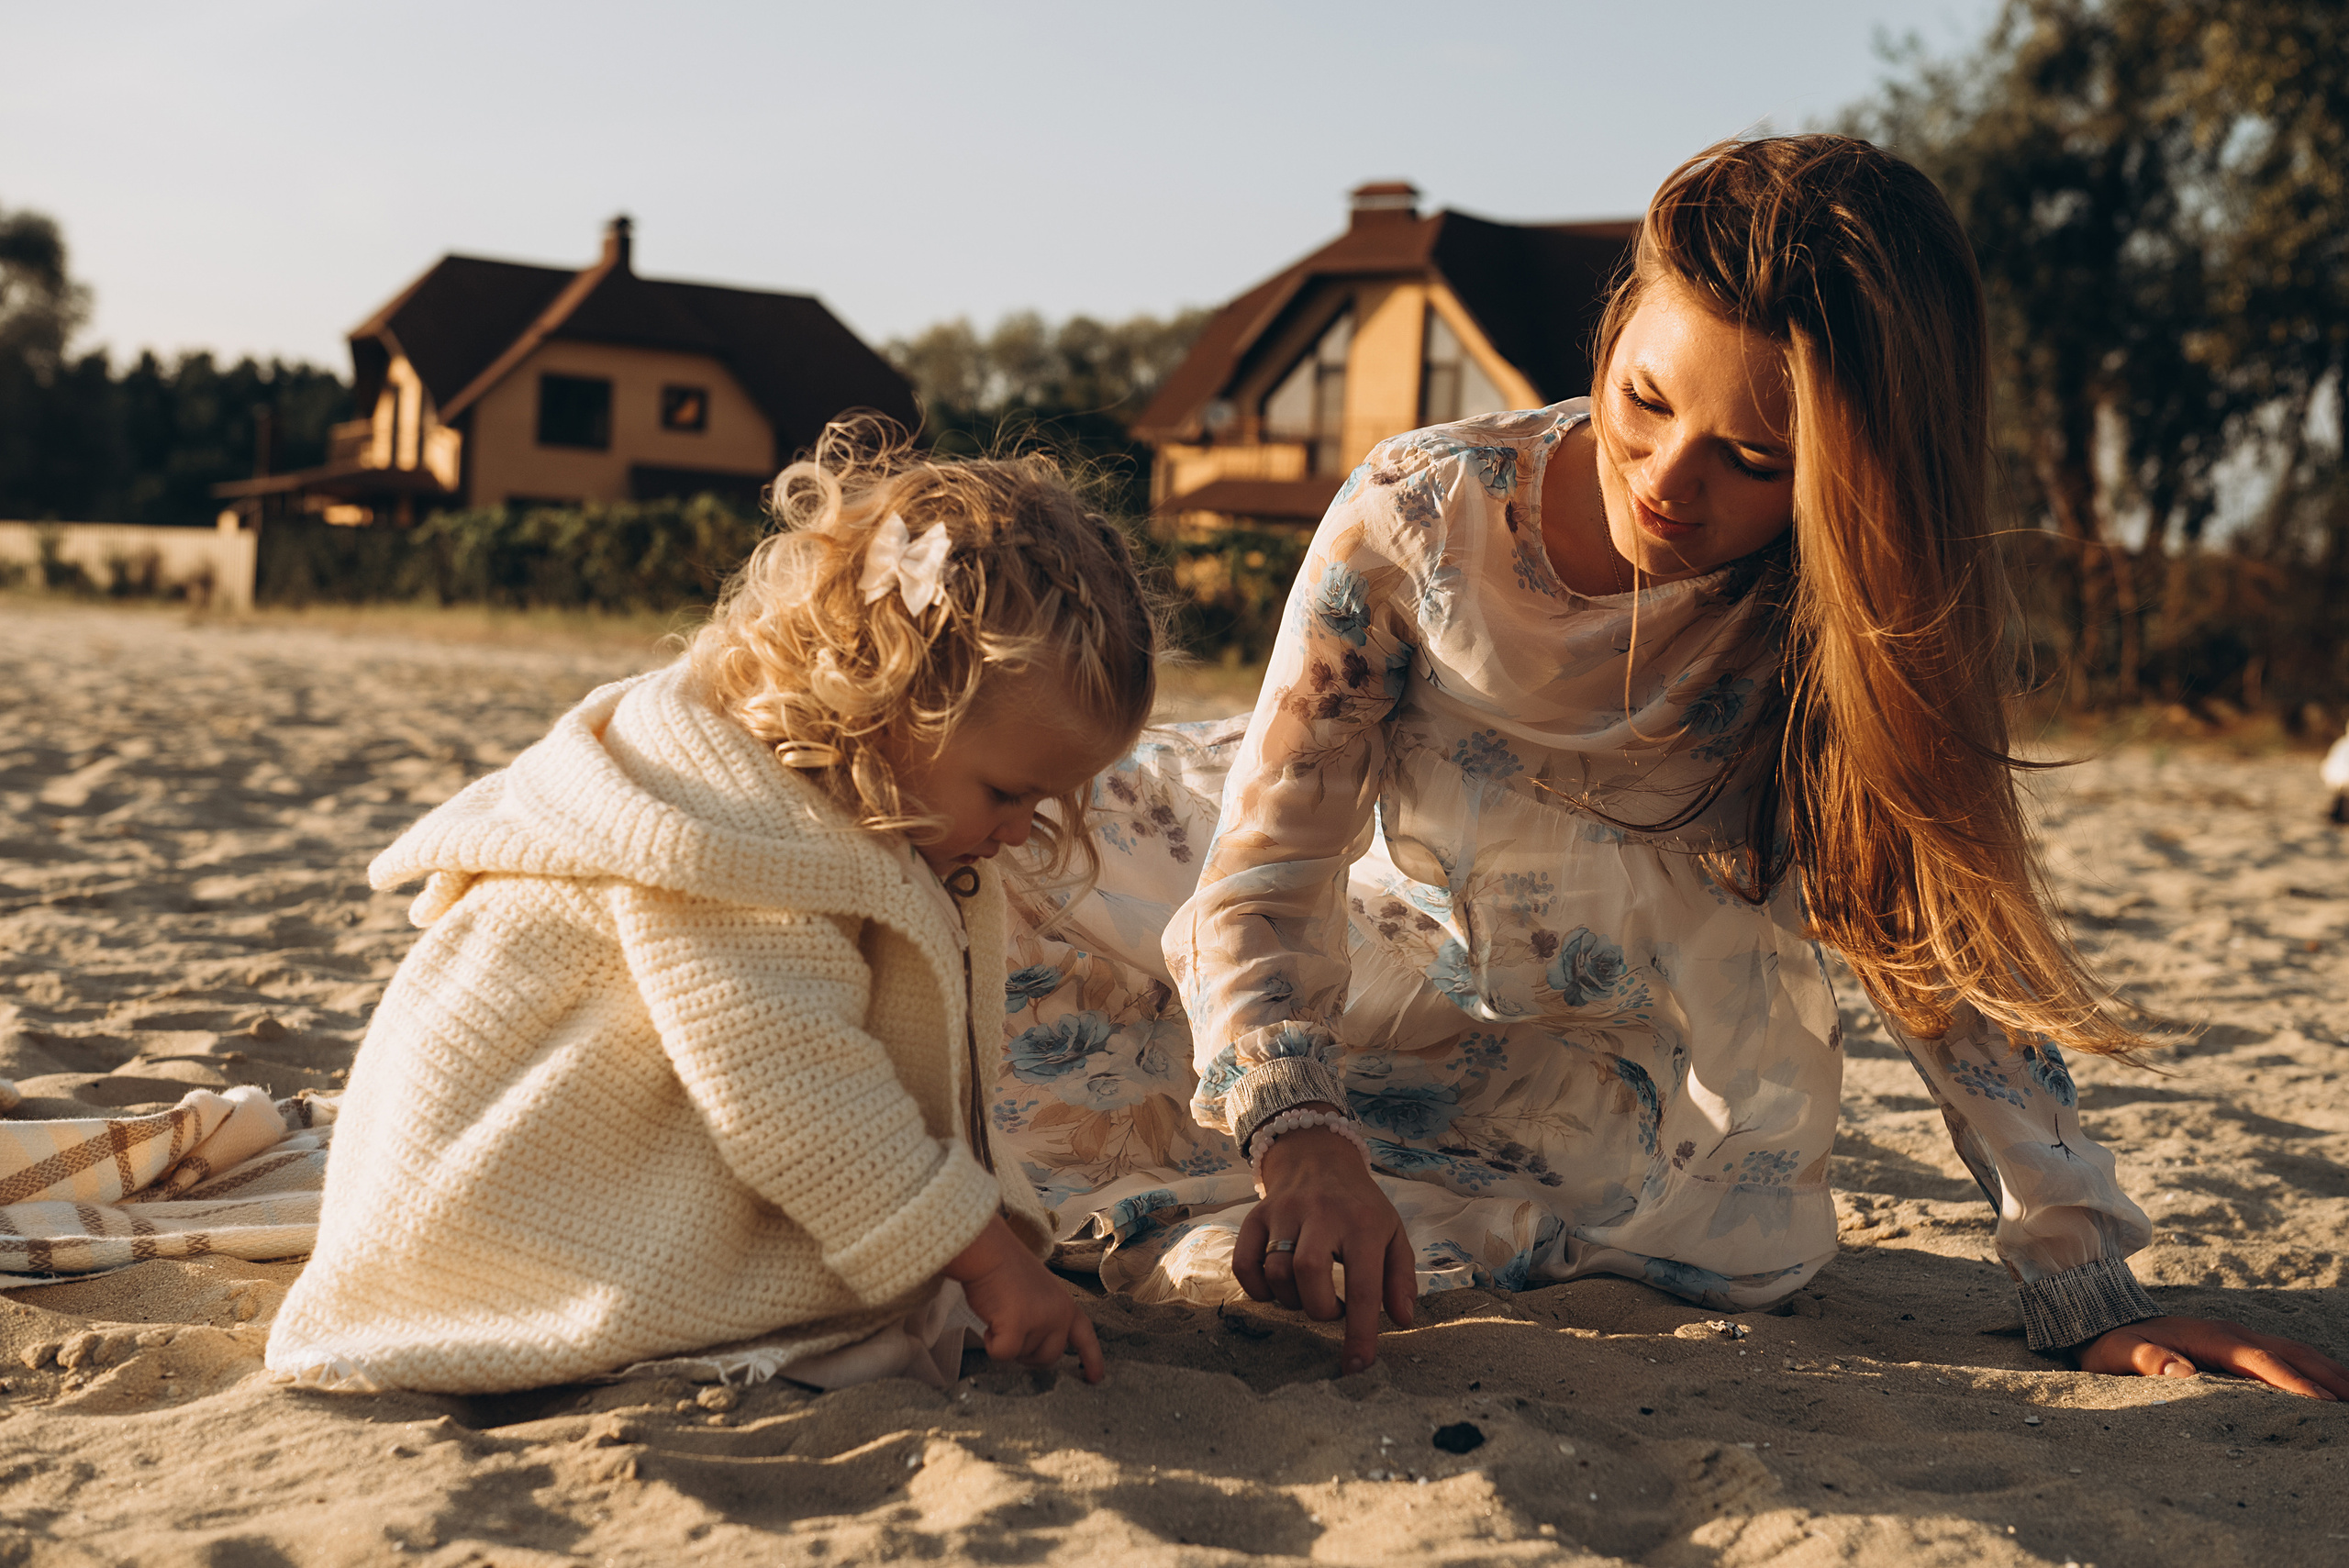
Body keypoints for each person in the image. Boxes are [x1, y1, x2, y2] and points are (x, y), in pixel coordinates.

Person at [991, 135, 2349, 1399]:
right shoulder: (1422, 511)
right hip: (1356, 949)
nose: (1665, 482)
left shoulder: (1840, 616)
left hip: (1602, 1068)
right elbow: (1271, 867)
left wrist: (2083, 1282)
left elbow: (1931, 956)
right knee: (1027, 930)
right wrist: (1299, 1133)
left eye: (1754, 459)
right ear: (1615, 329)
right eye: (1643, 399)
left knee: (1570, 1222)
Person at [266, 426, 1154, 1395]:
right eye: (1008, 793)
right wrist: (986, 1260)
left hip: (598, 1160)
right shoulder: (736, 828)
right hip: (508, 1206)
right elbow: (800, 1095)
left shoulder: (843, 788)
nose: (1021, 830)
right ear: (893, 699)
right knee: (864, 1348)